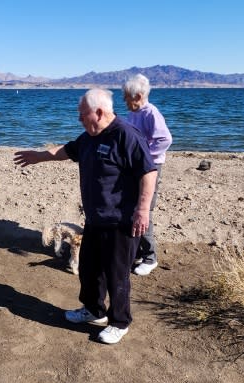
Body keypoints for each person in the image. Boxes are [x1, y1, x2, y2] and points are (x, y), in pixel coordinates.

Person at [13, 88, 157, 344]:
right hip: (95, 219)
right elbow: (66, 151)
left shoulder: (126, 136)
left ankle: (120, 322)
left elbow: (149, 172)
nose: (79, 119)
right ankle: (94, 310)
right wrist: (38, 156)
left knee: (116, 274)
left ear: (99, 112)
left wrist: (143, 210)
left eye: (82, 115)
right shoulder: (89, 136)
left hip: (120, 222)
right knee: (90, 270)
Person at [122, 74, 172, 276]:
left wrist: (147, 157)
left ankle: (150, 257)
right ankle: (137, 252)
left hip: (150, 168)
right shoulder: (135, 112)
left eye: (127, 97)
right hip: (136, 166)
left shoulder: (151, 113)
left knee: (144, 210)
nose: (125, 101)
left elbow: (165, 139)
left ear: (139, 96)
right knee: (131, 207)